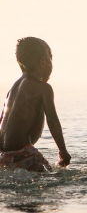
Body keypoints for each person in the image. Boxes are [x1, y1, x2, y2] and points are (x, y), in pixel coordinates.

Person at [0, 37, 71, 172]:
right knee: (53, 176)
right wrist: (63, 151)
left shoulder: (13, 88)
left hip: (4, 155)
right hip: (24, 152)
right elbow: (52, 120)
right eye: (51, 59)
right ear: (43, 61)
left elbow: (2, 119)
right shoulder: (43, 88)